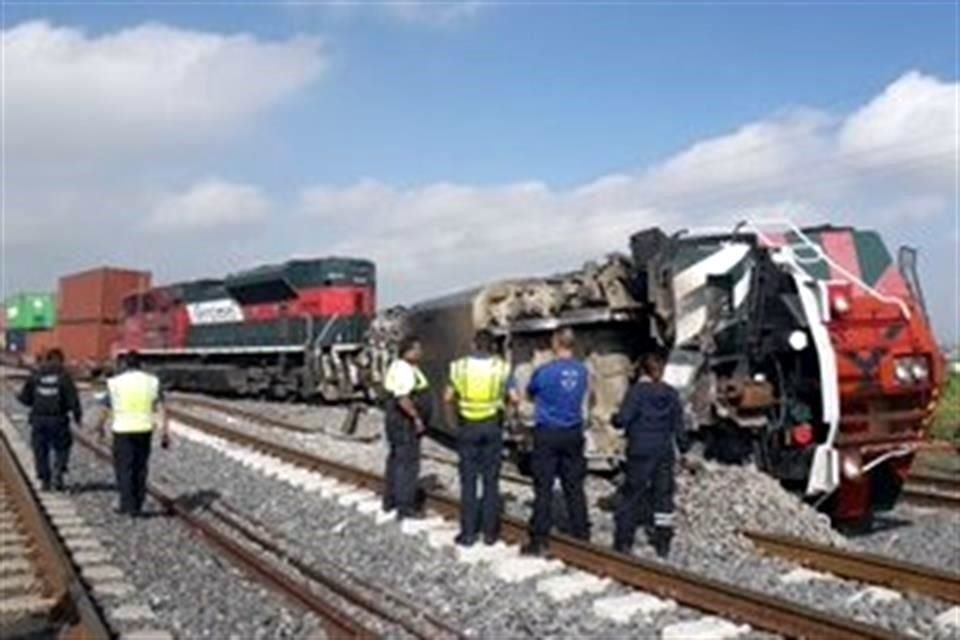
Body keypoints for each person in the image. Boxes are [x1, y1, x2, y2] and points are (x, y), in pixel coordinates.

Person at [519, 327, 591, 556]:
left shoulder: (544, 371)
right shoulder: (583, 371)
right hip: (573, 432)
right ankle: (581, 534)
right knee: (574, 486)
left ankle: (539, 539)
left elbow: (531, 393)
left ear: (556, 344)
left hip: (548, 433)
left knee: (544, 488)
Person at [612, 352, 689, 558]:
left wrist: (614, 419)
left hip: (640, 450)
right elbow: (680, 427)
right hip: (664, 451)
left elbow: (623, 419)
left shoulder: (636, 392)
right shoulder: (672, 394)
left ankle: (623, 541)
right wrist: (684, 449)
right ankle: (663, 542)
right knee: (664, 496)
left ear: (642, 371)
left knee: (632, 494)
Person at [445, 330, 510, 546]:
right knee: (491, 481)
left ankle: (468, 534)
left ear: (473, 344)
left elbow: (447, 397)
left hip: (468, 427)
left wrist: (453, 422)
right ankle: (490, 534)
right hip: (492, 426)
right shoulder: (501, 367)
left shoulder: (459, 367)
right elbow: (516, 398)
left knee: (469, 481)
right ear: (492, 346)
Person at [95, 351, 169, 517]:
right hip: (144, 429)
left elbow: (106, 408)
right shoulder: (152, 382)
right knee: (140, 467)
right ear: (140, 364)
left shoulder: (115, 383)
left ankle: (126, 503)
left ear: (124, 365)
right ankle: (137, 504)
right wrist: (164, 431)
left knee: (124, 468)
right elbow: (161, 408)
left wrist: (99, 426)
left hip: (122, 430)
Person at [17, 349, 82, 491]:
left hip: (39, 420)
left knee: (40, 450)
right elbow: (73, 400)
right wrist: (78, 417)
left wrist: (33, 402)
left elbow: (24, 398)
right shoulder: (64, 377)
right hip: (59, 420)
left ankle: (44, 479)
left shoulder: (35, 375)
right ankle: (58, 470)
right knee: (62, 447)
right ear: (60, 360)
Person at [382, 336, 430, 520]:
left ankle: (391, 499)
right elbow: (403, 397)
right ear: (408, 351)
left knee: (396, 460)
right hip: (404, 422)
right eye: (417, 349)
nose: (420, 352)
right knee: (407, 463)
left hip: (398, 421)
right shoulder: (403, 369)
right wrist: (416, 418)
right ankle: (405, 505)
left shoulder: (405, 367)